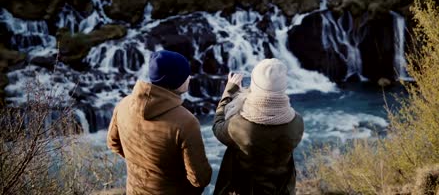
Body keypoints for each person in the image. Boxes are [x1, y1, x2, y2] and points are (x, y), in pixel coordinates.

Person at [107, 50, 212, 194]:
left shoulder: (123, 105)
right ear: (177, 80)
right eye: (186, 74)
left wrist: (144, 163)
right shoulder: (186, 122)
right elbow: (200, 179)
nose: (190, 77)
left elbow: (113, 143)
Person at [212, 58, 304, 195]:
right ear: (283, 87)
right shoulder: (297, 122)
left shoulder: (239, 125)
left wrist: (229, 92)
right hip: (282, 189)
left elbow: (217, 126)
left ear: (254, 85)